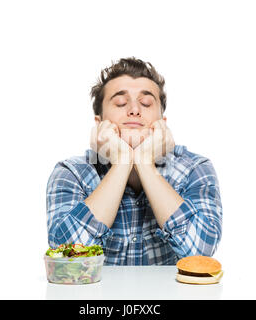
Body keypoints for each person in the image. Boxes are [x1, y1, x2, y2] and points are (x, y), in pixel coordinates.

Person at [46, 57, 222, 265]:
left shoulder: (195, 169)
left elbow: (200, 252)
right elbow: (67, 257)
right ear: (99, 123)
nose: (134, 110)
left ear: (162, 123)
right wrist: (122, 163)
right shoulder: (70, 172)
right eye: (120, 102)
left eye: (146, 103)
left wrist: (144, 163)